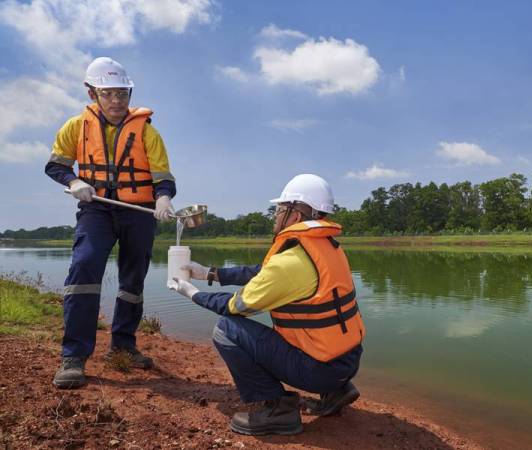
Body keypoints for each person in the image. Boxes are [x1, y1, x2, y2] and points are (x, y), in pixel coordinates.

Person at [169, 174, 365, 435]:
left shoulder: (291, 261)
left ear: (294, 215)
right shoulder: (327, 248)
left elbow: (235, 305)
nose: (275, 215)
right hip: (347, 362)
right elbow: (262, 272)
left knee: (226, 329)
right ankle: (337, 391)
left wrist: (193, 293)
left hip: (320, 370)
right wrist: (211, 274)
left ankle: (280, 410)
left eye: (279, 209)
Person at [46, 57, 177, 389]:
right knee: (84, 268)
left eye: (122, 93)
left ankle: (124, 345)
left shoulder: (148, 131)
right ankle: (74, 356)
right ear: (92, 93)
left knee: (133, 280)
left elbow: (163, 177)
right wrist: (74, 182)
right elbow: (55, 165)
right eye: (108, 94)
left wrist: (163, 198)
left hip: (139, 212)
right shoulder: (75, 127)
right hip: (97, 210)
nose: (117, 101)